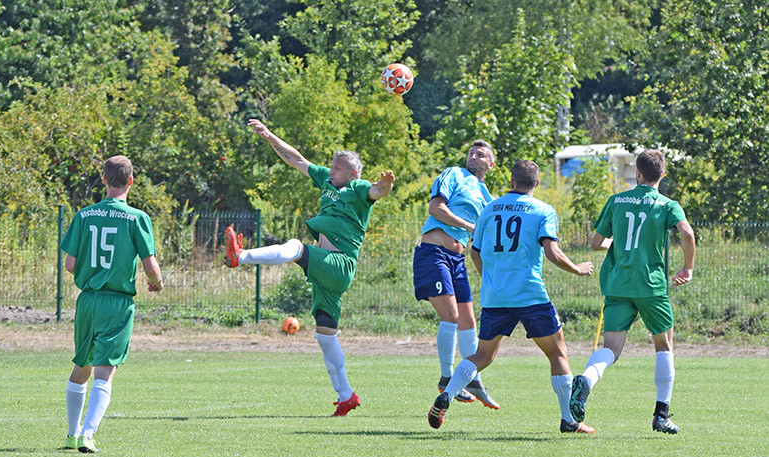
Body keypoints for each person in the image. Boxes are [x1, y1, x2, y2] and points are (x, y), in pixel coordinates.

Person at [225, 119, 395, 417]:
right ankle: (346, 396)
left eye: (338, 167)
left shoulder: (357, 189)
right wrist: (269, 136)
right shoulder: (326, 181)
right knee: (325, 334)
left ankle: (242, 255)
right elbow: (297, 159)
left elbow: (378, 191)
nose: (332, 170)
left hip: (339, 263)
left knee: (295, 247)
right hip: (326, 272)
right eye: (331, 165)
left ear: (353, 172)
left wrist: (387, 184)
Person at [427, 159, 595, 434]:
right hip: (530, 294)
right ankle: (569, 420)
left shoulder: (489, 209)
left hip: (496, 296)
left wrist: (490, 279)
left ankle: (448, 393)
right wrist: (577, 268)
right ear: (537, 184)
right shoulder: (543, 210)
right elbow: (552, 251)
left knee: (482, 355)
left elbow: (475, 251)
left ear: (511, 181)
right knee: (557, 353)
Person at [569, 149, 695, 434]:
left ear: (637, 173)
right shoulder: (667, 204)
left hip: (617, 284)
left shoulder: (616, 201)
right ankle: (661, 415)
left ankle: (587, 380)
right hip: (650, 285)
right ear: (662, 174)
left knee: (611, 348)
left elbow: (595, 242)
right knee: (664, 346)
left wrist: (613, 246)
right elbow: (686, 233)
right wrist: (687, 268)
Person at [61, 156, 163, 453]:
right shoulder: (137, 218)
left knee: (82, 366)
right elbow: (151, 266)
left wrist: (91, 275)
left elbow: (70, 264)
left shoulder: (84, 215)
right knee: (105, 369)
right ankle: (88, 435)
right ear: (131, 181)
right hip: (117, 302)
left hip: (88, 300)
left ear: (103, 180)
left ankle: (71, 433)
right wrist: (156, 282)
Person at [413, 140, 499, 409]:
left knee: (468, 321)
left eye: (481, 154)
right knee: (450, 316)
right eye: (472, 152)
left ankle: (473, 379)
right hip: (434, 252)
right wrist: (470, 226)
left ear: (491, 164)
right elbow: (436, 208)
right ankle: (446, 377)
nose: (474, 156)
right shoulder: (453, 174)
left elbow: (489, 237)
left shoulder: (487, 196)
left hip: (458, 259)